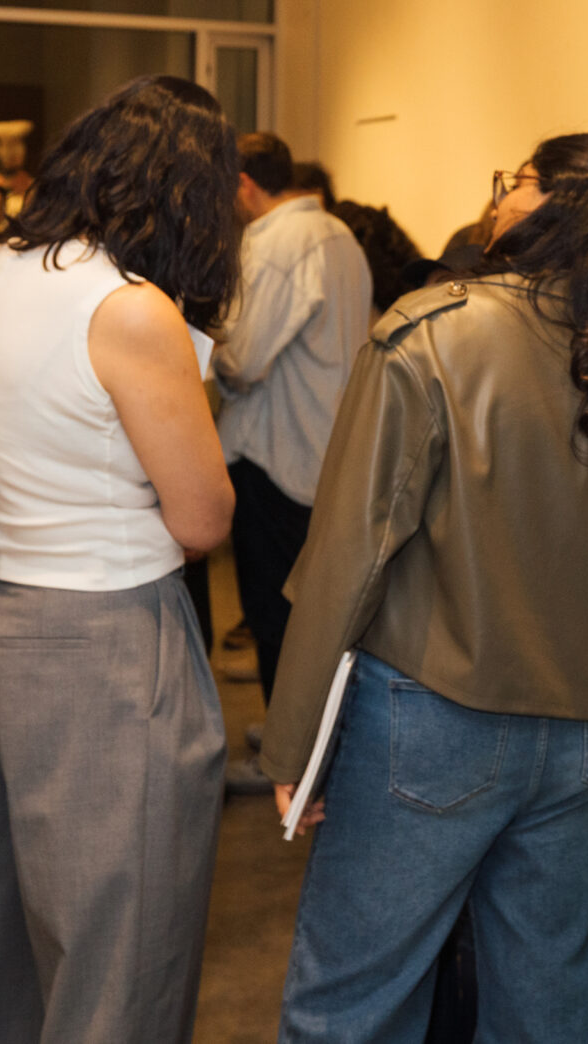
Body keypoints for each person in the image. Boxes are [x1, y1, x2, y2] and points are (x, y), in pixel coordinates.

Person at [262, 133, 588, 1044]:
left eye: (516, 184)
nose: (501, 201)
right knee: (543, 1005)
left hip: (432, 718)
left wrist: (294, 746)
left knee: (353, 999)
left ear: (555, 206)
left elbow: (350, 555)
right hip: (583, 734)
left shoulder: (434, 335)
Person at [0, 75, 238, 1043]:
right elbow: (201, 517)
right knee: (123, 955)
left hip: (1, 620)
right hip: (108, 642)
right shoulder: (129, 307)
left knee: (0, 936)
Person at [211, 134, 372, 786]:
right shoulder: (338, 234)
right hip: (328, 450)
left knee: (276, 615)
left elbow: (244, 361)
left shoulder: (275, 244)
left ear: (246, 184)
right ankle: (301, 737)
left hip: (275, 454)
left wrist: (207, 346)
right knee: (319, 617)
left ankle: (285, 760)